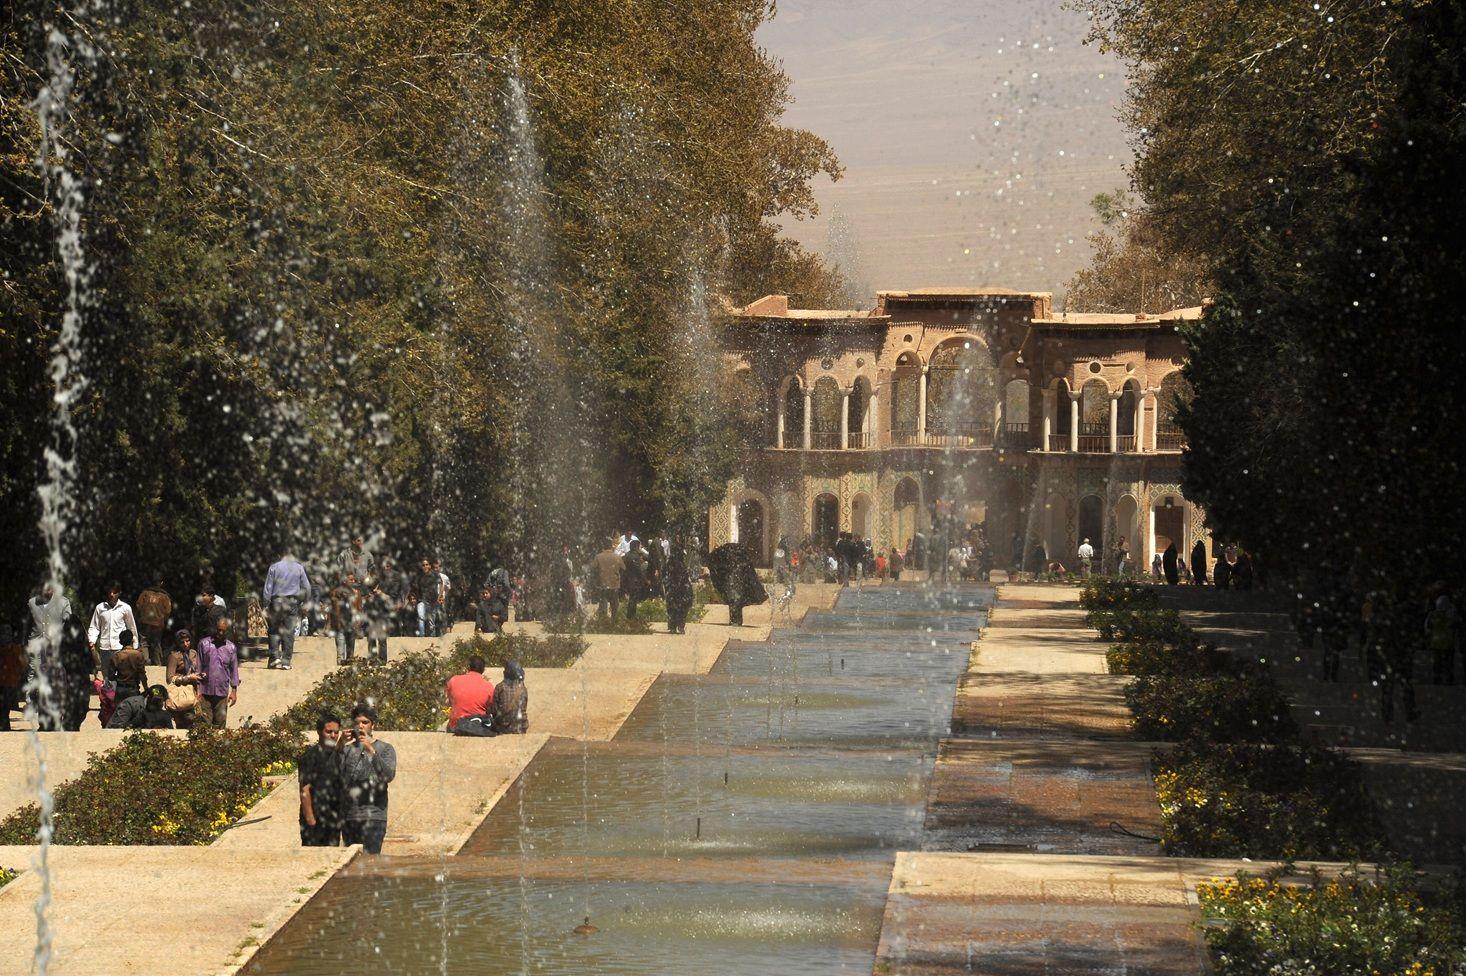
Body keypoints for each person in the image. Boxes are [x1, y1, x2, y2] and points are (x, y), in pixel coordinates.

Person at [339, 703, 396, 854]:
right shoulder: (346, 750)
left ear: (373, 725)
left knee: (371, 862)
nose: (361, 726)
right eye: (357, 723)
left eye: (365, 722)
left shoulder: (385, 749)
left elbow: (388, 776)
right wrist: (339, 745)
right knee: (354, 864)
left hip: (374, 817)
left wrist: (371, 750)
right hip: (350, 817)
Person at [299, 713, 344, 847]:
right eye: (329, 732)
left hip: (333, 818)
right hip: (315, 817)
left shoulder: (338, 755)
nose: (333, 735)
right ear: (319, 732)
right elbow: (304, 790)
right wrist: (310, 819)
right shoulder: (310, 756)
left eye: (336, 732)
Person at [264, 548, 312, 670]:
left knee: (274, 630)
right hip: (292, 601)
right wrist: (305, 602)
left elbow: (268, 587)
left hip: (277, 601)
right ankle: (286, 661)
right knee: (289, 631)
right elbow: (307, 586)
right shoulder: (299, 568)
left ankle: (275, 657)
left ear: (280, 554)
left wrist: (266, 603)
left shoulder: (274, 567)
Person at [706, 542, 767, 626]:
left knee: (734, 601)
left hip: (733, 582)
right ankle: (736, 620)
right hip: (736, 581)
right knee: (736, 601)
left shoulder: (725, 556)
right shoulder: (736, 556)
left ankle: (735, 620)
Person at [88, 582, 140, 679]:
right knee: (106, 674)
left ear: (119, 593)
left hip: (120, 647)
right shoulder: (100, 608)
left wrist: (135, 644)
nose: (112, 594)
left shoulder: (125, 608)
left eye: (115, 592)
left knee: (120, 673)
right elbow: (95, 626)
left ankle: (117, 692)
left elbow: (131, 627)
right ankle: (108, 692)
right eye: (110, 592)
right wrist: (92, 640)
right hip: (105, 647)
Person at [198, 617, 240, 727]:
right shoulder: (203, 644)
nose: (220, 633)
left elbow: (234, 670)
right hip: (205, 691)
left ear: (228, 631)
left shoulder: (231, 648)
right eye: (218, 630)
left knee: (220, 725)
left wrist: (234, 691)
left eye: (223, 630)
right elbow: (198, 667)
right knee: (204, 724)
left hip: (222, 692)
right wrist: (197, 691)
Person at [165, 628, 204, 728]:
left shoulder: (193, 653)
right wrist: (188, 678)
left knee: (194, 721)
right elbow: (169, 679)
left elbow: (197, 669)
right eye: (182, 642)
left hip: (192, 692)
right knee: (182, 723)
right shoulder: (174, 656)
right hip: (180, 693)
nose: (186, 644)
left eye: (188, 641)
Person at [446, 654, 495, 734]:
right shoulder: (488, 686)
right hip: (477, 727)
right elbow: (491, 708)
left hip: (456, 726)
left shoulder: (454, 680)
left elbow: (449, 700)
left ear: (468, 667)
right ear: (483, 670)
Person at [134, 577, 173, 667]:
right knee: (156, 642)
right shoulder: (165, 596)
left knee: (144, 641)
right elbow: (168, 611)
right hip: (158, 623)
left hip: (145, 621)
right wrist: (164, 621)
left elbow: (138, 605)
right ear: (161, 583)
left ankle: (146, 660)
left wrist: (141, 616)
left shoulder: (145, 593)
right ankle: (158, 662)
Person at [106, 632, 149, 707]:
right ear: (132, 640)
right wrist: (146, 688)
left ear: (120, 642)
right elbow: (142, 674)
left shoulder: (116, 656)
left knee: (120, 714)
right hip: (133, 689)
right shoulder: (138, 655)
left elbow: (110, 676)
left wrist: (119, 679)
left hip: (120, 689)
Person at [106, 683, 174, 729]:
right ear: (147, 697)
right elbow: (117, 727)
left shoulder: (163, 714)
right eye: (155, 701)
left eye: (160, 702)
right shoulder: (129, 704)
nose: (158, 705)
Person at [1427, 592, 1460, 684]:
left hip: (1436, 643)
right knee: (1448, 663)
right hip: (1448, 643)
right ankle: (1449, 679)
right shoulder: (1452, 615)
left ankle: (1437, 679)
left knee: (1437, 663)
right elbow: (1457, 626)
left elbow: (1428, 628)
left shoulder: (1432, 615)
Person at [665, 541, 696, 635]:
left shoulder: (670, 563)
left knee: (673, 607)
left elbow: (665, 575)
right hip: (681, 589)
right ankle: (680, 626)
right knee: (682, 607)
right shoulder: (681, 564)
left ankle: (673, 626)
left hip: (673, 588)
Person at [330, 573, 362, 665]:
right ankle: (339, 669)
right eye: (350, 580)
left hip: (352, 624)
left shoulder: (357, 593)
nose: (353, 582)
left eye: (354, 580)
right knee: (340, 651)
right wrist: (332, 624)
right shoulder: (335, 593)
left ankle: (348, 670)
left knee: (350, 652)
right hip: (340, 624)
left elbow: (359, 609)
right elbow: (333, 610)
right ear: (344, 581)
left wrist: (359, 622)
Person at [490, 660, 529, 734]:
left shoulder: (500, 687)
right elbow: (523, 707)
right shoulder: (523, 689)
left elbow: (494, 710)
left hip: (503, 727)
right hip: (520, 727)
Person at [362, 577, 392, 663]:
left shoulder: (383, 594)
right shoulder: (368, 595)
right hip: (371, 621)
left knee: (382, 641)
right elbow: (363, 605)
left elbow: (390, 601)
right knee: (371, 641)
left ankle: (382, 660)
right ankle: (372, 659)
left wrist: (381, 594)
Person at [0, 625, 23, 732]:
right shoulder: (15, 649)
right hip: (9, 681)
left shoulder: (15, 649)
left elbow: (20, 665)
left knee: (5, 706)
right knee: (6, 706)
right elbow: (21, 665)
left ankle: (4, 726)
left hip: (8, 681)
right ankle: (4, 726)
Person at [593, 537, 623, 619]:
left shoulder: (598, 557)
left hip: (603, 583)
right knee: (614, 603)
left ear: (603, 547)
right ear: (611, 546)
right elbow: (624, 569)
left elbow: (593, 569)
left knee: (603, 601)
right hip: (615, 583)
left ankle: (603, 620)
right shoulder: (617, 557)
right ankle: (614, 620)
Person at [622, 539, 650, 619]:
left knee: (631, 599)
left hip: (627, 580)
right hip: (634, 581)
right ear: (635, 547)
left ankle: (630, 616)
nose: (640, 548)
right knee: (633, 600)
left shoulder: (626, 555)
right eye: (639, 547)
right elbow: (638, 570)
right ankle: (631, 617)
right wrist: (645, 580)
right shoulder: (635, 557)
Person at [412, 558, 440, 637]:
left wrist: (440, 596)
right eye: (423, 565)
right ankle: (422, 636)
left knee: (431, 622)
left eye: (426, 564)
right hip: (422, 601)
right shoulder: (419, 577)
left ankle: (432, 639)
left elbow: (441, 585)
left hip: (432, 601)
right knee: (421, 617)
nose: (425, 566)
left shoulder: (435, 575)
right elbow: (415, 588)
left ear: (430, 566)